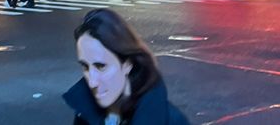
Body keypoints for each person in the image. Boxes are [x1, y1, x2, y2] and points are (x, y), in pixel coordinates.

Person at [63, 8, 191, 124]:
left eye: (101, 67)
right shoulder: (85, 113)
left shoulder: (172, 121)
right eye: (85, 67)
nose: (92, 82)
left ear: (127, 64)